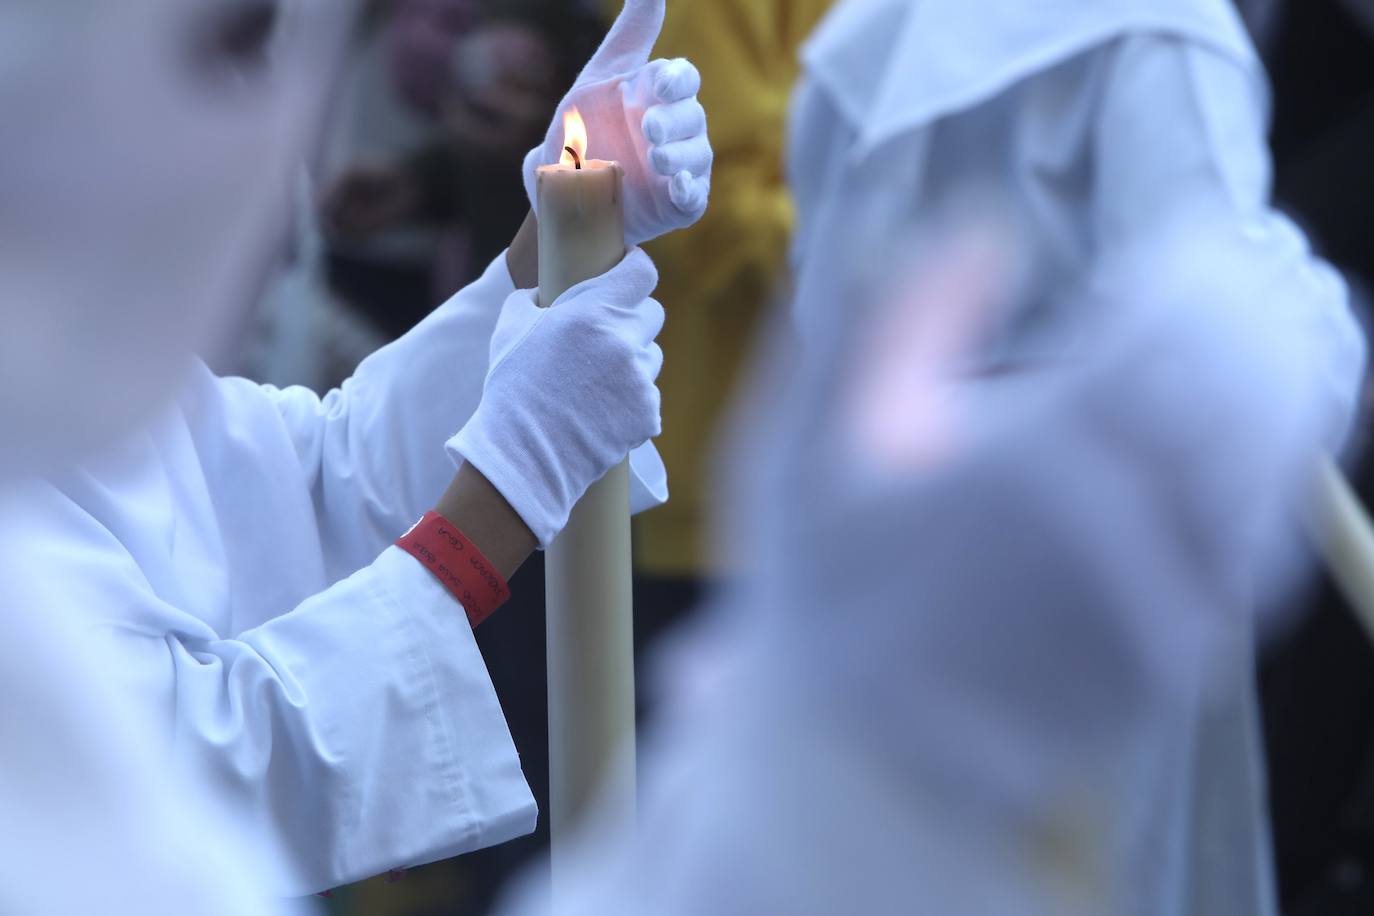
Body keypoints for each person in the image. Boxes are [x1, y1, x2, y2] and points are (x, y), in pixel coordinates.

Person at [0, 0, 711, 899]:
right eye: (235, 45)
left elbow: (312, 477)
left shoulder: (62, 375)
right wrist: (509, 488)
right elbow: (177, 768)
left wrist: (547, 248)